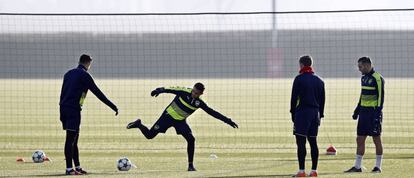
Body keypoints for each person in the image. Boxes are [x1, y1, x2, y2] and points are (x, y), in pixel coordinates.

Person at [126, 83, 238, 171]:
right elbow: (171, 89)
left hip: (180, 121)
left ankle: (190, 166)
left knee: (191, 139)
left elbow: (212, 112)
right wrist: (159, 90)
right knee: (150, 136)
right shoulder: (184, 92)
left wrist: (228, 121)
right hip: (167, 117)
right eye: (193, 91)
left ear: (200, 94)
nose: (193, 93)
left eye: (196, 93)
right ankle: (139, 124)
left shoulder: (199, 103)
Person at [59, 54, 119, 175]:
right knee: (70, 139)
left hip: (63, 108)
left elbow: (63, 92)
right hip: (73, 110)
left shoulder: (68, 73)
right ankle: (69, 169)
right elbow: (97, 92)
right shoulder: (84, 75)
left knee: (73, 139)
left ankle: (77, 167)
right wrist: (112, 106)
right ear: (88, 63)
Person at [345, 56, 384, 173]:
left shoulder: (378, 78)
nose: (359, 69)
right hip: (363, 114)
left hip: (373, 114)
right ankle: (357, 166)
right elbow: (362, 95)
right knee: (360, 139)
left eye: (360, 66)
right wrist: (357, 110)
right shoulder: (363, 78)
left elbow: (381, 98)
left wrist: (377, 115)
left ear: (367, 65)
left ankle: (378, 167)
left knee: (376, 139)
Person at [290, 55, 325, 177]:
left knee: (301, 142)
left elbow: (293, 99)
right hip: (315, 113)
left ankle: (301, 171)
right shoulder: (320, 81)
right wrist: (320, 116)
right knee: (313, 142)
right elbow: (322, 101)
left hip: (302, 113)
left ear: (302, 65)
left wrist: (293, 115)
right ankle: (314, 171)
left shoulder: (299, 79)